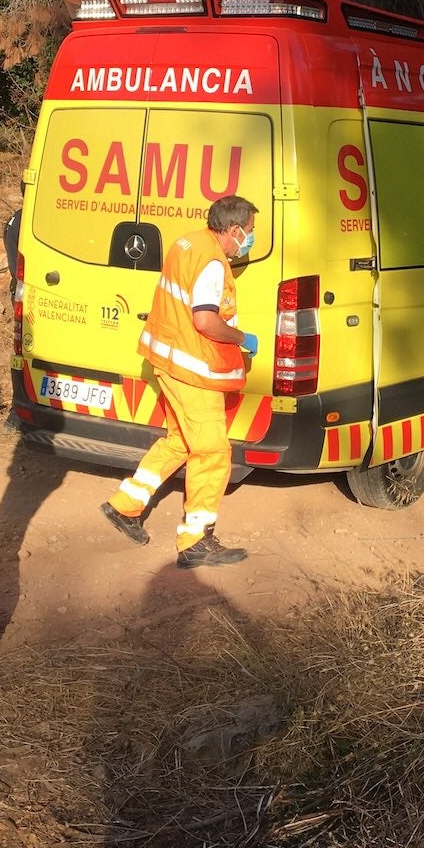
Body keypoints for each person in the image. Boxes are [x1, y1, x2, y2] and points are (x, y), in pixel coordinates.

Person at [100, 195, 259, 569]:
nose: (249, 239)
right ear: (234, 230)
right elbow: (205, 320)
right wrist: (242, 339)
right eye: (249, 233)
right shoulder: (212, 264)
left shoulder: (187, 242)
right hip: (193, 371)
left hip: (168, 361)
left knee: (179, 441)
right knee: (212, 452)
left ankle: (125, 506)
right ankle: (195, 541)